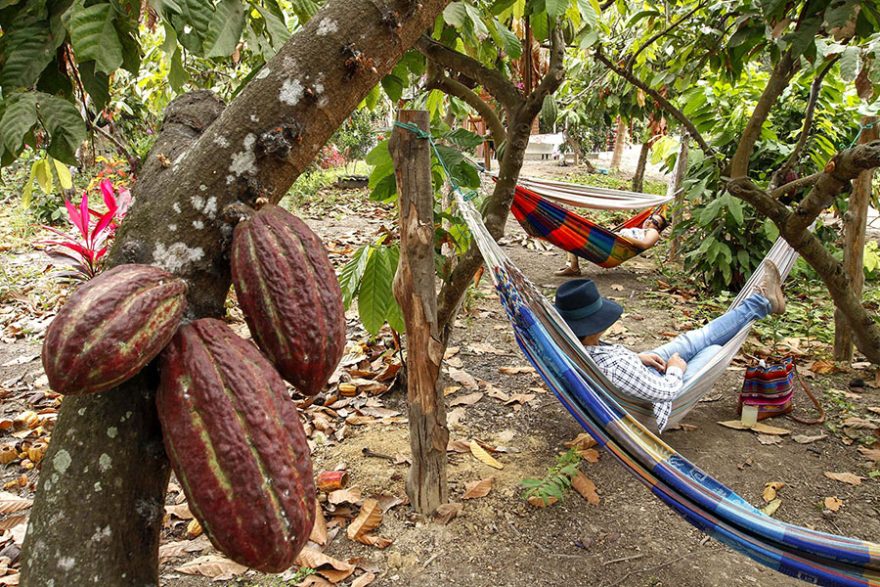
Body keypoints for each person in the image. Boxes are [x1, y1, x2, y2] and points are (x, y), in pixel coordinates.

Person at [553, 261, 786, 430]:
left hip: (631, 376)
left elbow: (615, 370)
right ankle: (762, 303)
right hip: (652, 405)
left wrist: (637, 359)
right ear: (595, 327)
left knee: (693, 340)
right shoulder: (614, 365)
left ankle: (761, 303)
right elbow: (665, 392)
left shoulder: (568, 347)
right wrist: (675, 369)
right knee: (713, 351)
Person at [554, 213, 669, 277]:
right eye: (650, 218)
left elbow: (644, 245)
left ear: (658, 229)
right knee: (573, 233)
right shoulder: (640, 229)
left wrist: (623, 237)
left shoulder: (653, 232)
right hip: (610, 242)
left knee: (574, 231)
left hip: (614, 246)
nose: (649, 221)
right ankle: (572, 266)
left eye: (654, 222)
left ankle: (573, 268)